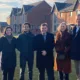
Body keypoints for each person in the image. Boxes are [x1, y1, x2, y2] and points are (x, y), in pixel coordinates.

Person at [71, 14, 80, 80]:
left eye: (79, 19)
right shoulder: (74, 28)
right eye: (77, 19)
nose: (78, 20)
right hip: (75, 52)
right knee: (77, 68)